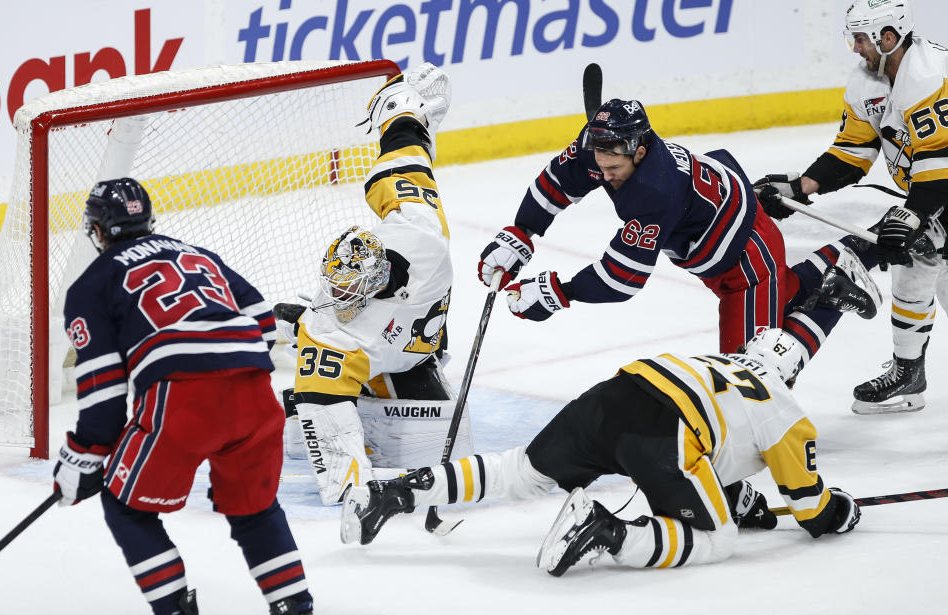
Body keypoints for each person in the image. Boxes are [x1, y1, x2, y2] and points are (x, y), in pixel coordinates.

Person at [340, 328, 861, 576]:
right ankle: (607, 531)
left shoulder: (717, 360)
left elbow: (720, 447)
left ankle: (393, 493)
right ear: (791, 372)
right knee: (716, 539)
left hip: (619, 395)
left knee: (521, 469)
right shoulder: (788, 411)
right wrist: (841, 510)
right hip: (667, 433)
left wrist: (742, 501)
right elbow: (812, 511)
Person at [476, 96, 884, 375]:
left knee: (753, 382)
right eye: (597, 162)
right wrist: (520, 232)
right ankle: (841, 259)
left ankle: (833, 295)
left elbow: (623, 278)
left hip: (745, 258)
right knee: (782, 303)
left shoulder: (655, 191)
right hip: (719, 230)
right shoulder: (602, 149)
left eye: (613, 167)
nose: (603, 173)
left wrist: (557, 292)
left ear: (639, 150)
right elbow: (556, 182)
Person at [53, 178, 313, 615]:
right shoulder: (197, 255)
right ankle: (296, 608)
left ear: (97, 230)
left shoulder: (90, 285)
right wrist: (228, 366)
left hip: (182, 401)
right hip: (254, 393)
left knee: (125, 505)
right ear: (148, 219)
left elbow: (105, 388)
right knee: (256, 508)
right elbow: (264, 321)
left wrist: (86, 454)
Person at [271, 62, 463, 507]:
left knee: (434, 422)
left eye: (346, 292)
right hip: (373, 352)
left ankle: (290, 324)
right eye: (333, 289)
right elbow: (326, 410)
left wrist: (404, 115)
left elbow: (406, 163)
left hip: (410, 340)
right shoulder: (331, 327)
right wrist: (352, 486)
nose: (337, 298)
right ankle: (287, 326)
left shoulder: (422, 238)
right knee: (318, 365)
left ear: (375, 281)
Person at [754, 0, 948, 414]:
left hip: (940, 193)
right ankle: (909, 372)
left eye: (862, 39)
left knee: (918, 259)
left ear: (888, 38)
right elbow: (854, 150)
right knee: (912, 275)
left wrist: (912, 213)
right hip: (934, 200)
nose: (856, 48)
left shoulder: (928, 74)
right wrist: (799, 187)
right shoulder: (869, 80)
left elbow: (940, 159)